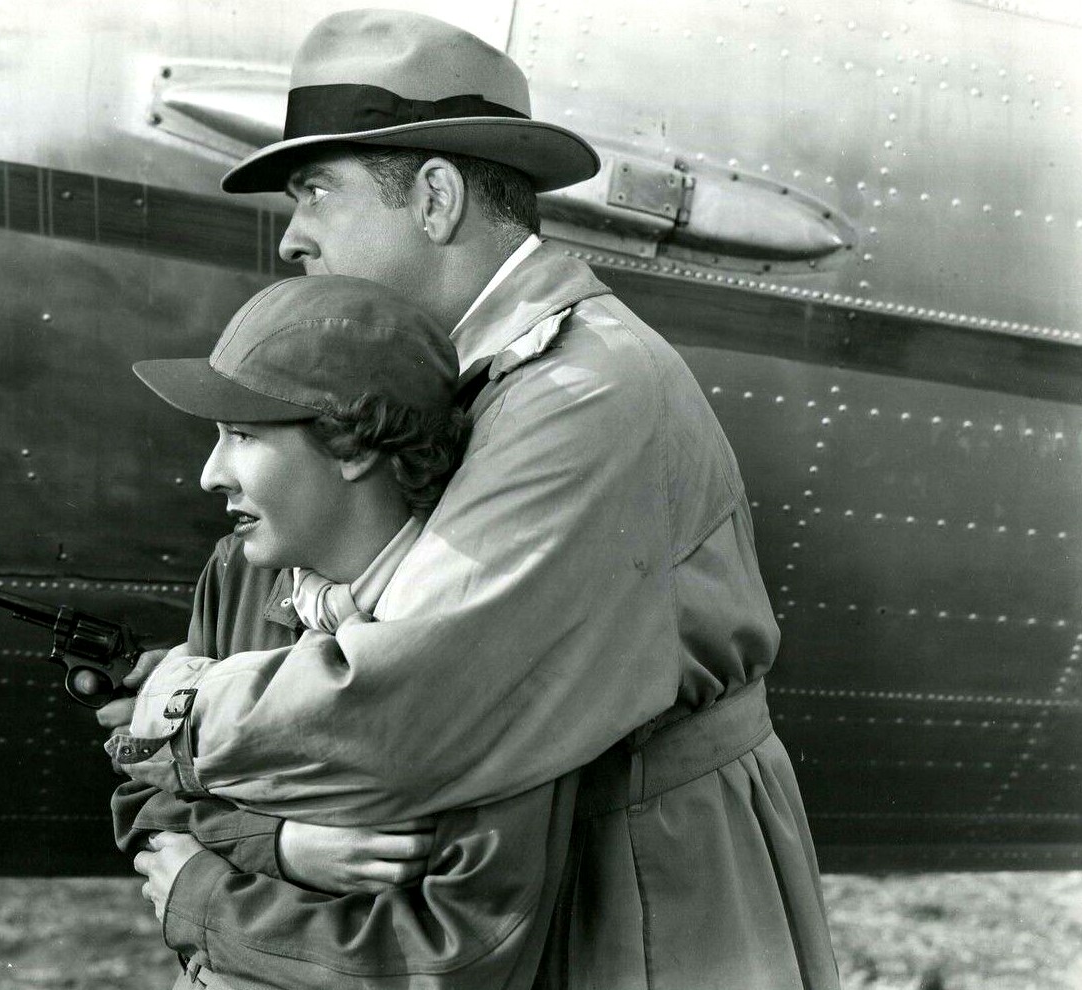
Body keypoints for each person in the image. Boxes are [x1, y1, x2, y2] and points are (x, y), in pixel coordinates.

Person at [111, 10, 840, 989]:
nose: (292, 239)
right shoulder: (489, 371)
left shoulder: (582, 392)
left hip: (649, 894)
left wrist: (180, 710)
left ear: (436, 197)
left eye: (316, 193)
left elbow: (410, 707)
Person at [113, 274, 579, 990]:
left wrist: (206, 898)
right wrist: (280, 846)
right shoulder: (239, 572)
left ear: (354, 446)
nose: (211, 474)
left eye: (241, 435)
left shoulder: (486, 624)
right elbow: (148, 797)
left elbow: (459, 953)